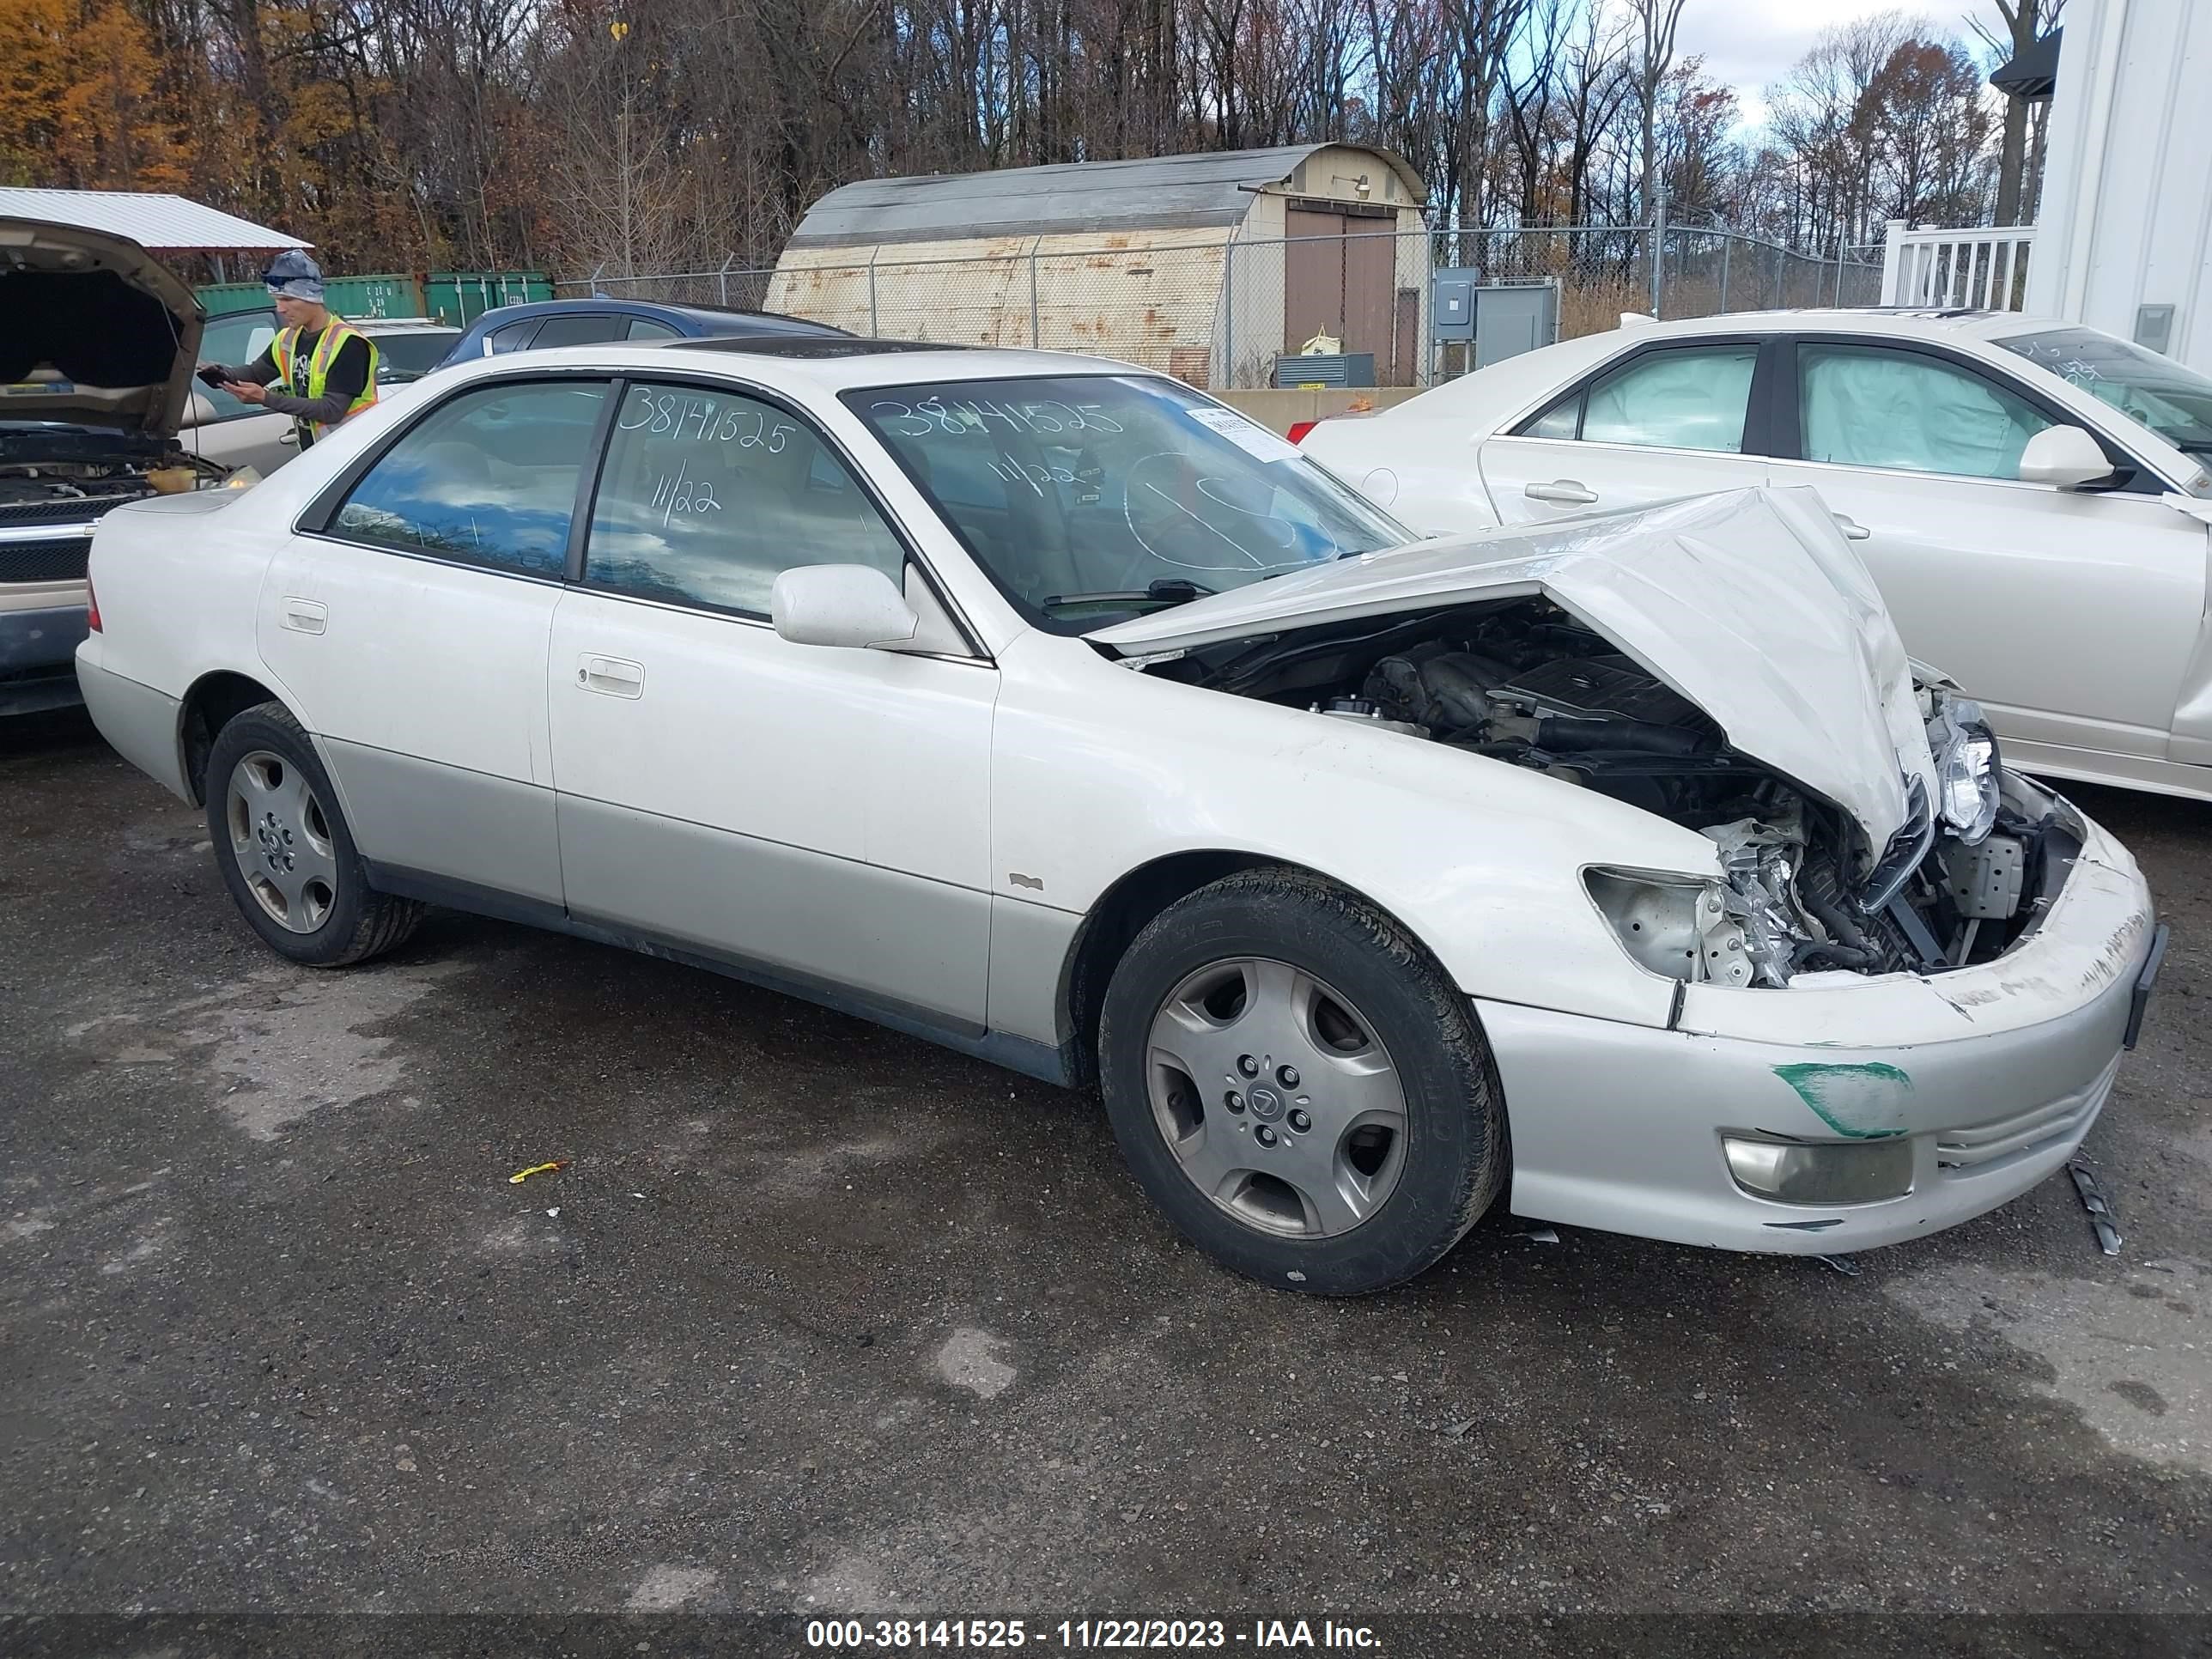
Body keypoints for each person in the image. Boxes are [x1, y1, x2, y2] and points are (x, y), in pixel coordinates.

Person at [198, 250, 380, 450]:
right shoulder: (287, 339)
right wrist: (214, 373)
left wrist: (266, 399)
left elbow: (332, 410)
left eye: (287, 299)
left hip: (354, 453)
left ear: (312, 297)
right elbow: (255, 374)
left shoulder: (348, 343)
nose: (280, 309)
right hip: (316, 452)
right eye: (277, 300)